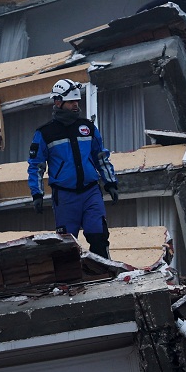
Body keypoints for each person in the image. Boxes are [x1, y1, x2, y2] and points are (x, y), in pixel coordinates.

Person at [27, 79, 119, 259]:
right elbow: (36, 166)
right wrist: (36, 194)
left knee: (98, 235)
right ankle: (70, 284)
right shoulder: (45, 133)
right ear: (58, 102)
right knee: (66, 246)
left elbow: (100, 156)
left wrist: (111, 182)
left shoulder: (88, 128)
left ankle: (104, 275)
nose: (75, 105)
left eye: (77, 101)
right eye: (71, 102)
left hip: (91, 191)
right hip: (65, 197)